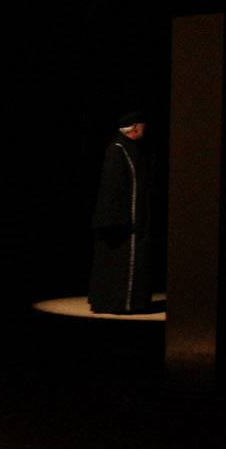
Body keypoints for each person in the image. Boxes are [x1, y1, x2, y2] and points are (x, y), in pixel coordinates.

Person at [89, 111, 156, 314]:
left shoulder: (131, 149)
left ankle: (134, 302)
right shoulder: (117, 149)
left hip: (134, 220)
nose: (145, 128)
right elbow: (112, 188)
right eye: (142, 125)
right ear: (134, 127)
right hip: (122, 223)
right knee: (119, 263)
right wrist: (117, 221)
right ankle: (119, 302)